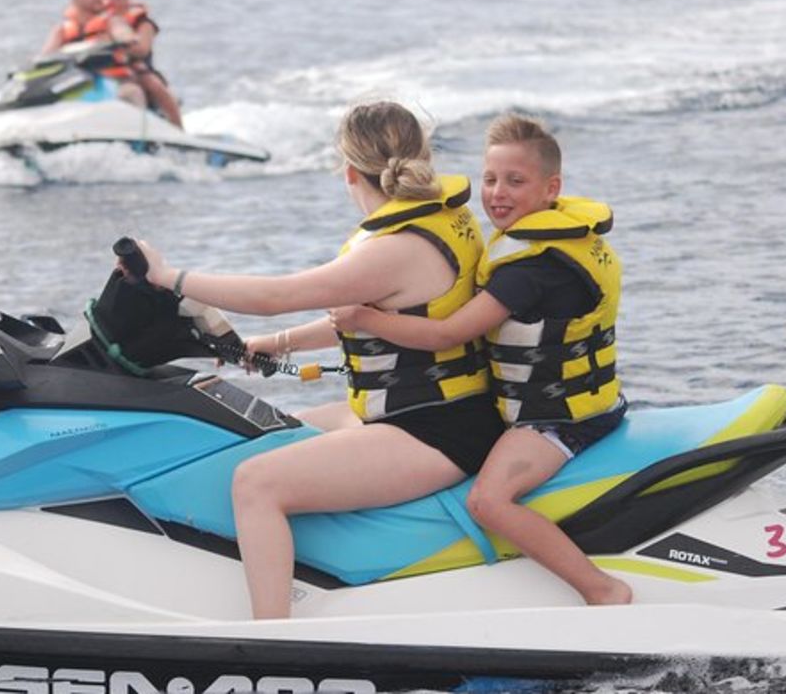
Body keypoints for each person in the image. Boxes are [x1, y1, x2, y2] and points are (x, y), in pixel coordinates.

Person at [131, 101, 505, 618]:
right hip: (423, 411)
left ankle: (271, 641)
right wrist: (278, 343)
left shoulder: (393, 248)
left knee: (256, 482)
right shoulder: (446, 217)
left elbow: (278, 294)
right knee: (260, 434)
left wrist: (168, 278)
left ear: (349, 172)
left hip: (437, 432)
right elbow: (364, 317)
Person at [329, 113, 633, 607]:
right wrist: (279, 343)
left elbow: (447, 332)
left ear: (551, 188)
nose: (497, 193)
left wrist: (366, 318)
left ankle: (603, 590)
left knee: (487, 501)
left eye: (516, 181)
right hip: (582, 403)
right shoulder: (532, 247)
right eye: (490, 179)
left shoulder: (530, 270)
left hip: (560, 422)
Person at [39, 0, 147, 108]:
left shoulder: (112, 21)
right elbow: (46, 54)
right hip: (74, 83)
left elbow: (122, 32)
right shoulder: (62, 30)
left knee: (132, 92)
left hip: (115, 81)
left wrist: (127, 38)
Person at [100, 0, 183, 127]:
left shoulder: (143, 24)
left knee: (151, 83)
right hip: (111, 73)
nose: (122, 1)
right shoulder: (100, 24)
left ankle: (178, 126)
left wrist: (119, 48)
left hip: (141, 71)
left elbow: (143, 49)